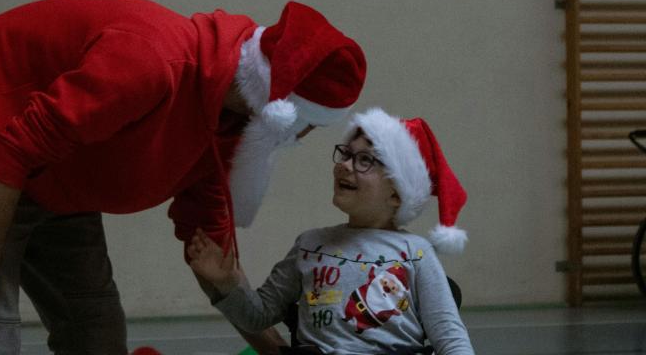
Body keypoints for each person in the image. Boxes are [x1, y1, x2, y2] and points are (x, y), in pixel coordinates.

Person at [0, 0, 367, 355]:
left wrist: (273, 350)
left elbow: (213, 257)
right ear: (282, 109)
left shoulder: (227, 128)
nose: (304, 137)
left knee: (96, 334)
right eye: (312, 125)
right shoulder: (151, 63)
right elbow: (10, 154)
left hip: (60, 177)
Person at [188, 107, 474, 354]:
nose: (345, 166)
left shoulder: (416, 253)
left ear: (398, 193)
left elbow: (450, 338)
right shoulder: (310, 246)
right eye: (346, 154)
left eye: (365, 160)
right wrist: (227, 284)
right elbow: (257, 316)